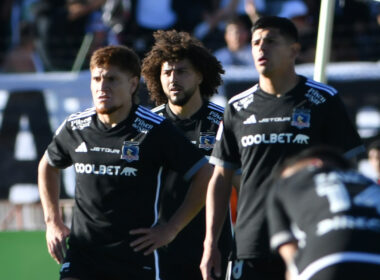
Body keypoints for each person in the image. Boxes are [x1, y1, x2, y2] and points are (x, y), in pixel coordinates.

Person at [200, 16, 364, 280]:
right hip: (251, 244)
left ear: (294, 50)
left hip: (309, 240)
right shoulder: (237, 107)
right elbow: (220, 178)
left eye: (271, 41)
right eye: (255, 42)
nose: (261, 48)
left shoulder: (323, 100)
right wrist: (211, 243)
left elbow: (349, 170)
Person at [38, 45, 213, 279]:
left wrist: (170, 230)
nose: (102, 86)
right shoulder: (75, 126)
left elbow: (205, 174)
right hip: (82, 256)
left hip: (133, 260)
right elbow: (48, 165)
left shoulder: (155, 129)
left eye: (111, 79)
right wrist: (53, 222)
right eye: (97, 78)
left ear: (132, 84)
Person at [141, 29, 233, 280]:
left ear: (200, 75)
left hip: (215, 246)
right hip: (160, 249)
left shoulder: (225, 123)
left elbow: (242, 185)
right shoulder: (146, 125)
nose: (173, 79)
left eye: (181, 71)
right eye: (167, 73)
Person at [267, 146, 380, 280]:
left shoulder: (286, 183)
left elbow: (287, 248)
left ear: (316, 163)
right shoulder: (370, 182)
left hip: (323, 262)